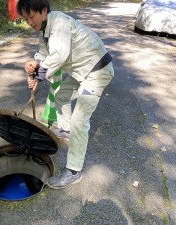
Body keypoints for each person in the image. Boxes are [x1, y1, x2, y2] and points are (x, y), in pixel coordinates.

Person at [17, 0, 114, 189]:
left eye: (31, 16)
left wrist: (38, 75)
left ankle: (73, 171)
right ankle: (66, 129)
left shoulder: (59, 22)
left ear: (43, 11)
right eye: (25, 18)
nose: (29, 22)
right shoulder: (44, 30)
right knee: (61, 94)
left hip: (97, 71)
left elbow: (59, 54)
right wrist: (33, 65)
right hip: (82, 71)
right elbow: (43, 54)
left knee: (80, 120)